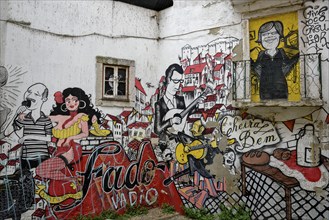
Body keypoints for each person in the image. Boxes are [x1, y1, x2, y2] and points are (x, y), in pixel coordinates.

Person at [35, 87, 103, 181]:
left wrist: (70, 137)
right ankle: (70, 181)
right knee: (44, 171)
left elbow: (85, 133)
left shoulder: (81, 117)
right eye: (68, 100)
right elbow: (40, 117)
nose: (71, 103)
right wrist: (23, 115)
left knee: (41, 170)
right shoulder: (60, 117)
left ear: (80, 101)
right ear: (64, 103)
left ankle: (71, 180)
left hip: (69, 151)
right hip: (58, 150)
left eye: (74, 100)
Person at [4, 83, 53, 170]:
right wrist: (16, 114)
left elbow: (48, 138)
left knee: (41, 183)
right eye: (29, 92)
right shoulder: (23, 117)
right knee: (26, 182)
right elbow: (7, 132)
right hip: (26, 158)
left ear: (44, 99)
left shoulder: (46, 120)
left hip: (42, 157)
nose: (30, 95)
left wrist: (27, 137)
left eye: (36, 94)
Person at [251, 20, 299, 100]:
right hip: (264, 89)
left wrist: (297, 56)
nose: (269, 36)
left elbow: (288, 65)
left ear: (280, 36)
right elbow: (256, 67)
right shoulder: (261, 54)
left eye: (273, 33)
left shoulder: (281, 52)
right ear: (260, 38)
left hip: (281, 89)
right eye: (265, 34)